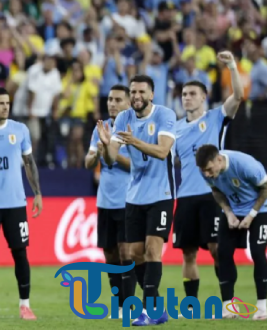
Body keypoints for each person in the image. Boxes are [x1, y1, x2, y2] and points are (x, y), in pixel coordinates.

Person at [97, 75, 176, 326]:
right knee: (134, 254)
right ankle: (157, 307)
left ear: (151, 94)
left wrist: (135, 142)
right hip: (133, 197)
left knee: (153, 249)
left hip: (161, 194)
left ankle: (148, 310)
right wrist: (107, 143)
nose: (136, 96)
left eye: (141, 92)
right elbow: (111, 159)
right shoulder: (123, 118)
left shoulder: (165, 115)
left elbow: (163, 152)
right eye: (133, 92)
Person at [172, 51, 244, 309]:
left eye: (192, 94)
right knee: (188, 253)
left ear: (203, 97)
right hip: (185, 197)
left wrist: (232, 66)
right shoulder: (176, 128)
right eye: (184, 95)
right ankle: (190, 307)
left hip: (213, 195)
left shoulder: (215, 117)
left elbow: (238, 96)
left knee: (217, 250)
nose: (187, 98)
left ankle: (228, 303)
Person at [0, 87, 43, 321]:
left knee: (20, 253)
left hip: (15, 204)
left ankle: (25, 305)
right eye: (1, 103)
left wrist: (37, 193)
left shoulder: (20, 130)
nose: (6, 107)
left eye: (8, 103)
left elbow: (29, 163)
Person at [195, 145, 267, 320]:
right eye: (204, 171)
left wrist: (251, 215)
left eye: (209, 169)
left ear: (219, 160)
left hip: (260, 210)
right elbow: (216, 190)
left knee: (258, 252)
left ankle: (261, 307)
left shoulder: (245, 165)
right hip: (233, 209)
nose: (207, 174)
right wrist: (228, 212)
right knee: (222, 253)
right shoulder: (205, 171)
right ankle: (229, 307)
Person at [85, 84, 132, 319]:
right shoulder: (100, 129)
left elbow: (136, 165)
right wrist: (96, 153)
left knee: (127, 254)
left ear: (128, 103)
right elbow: (87, 163)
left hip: (128, 201)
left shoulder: (133, 130)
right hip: (104, 201)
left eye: (118, 100)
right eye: (110, 99)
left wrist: (110, 153)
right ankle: (120, 304)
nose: (112, 103)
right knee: (110, 255)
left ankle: (133, 303)